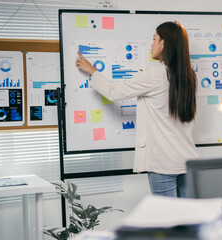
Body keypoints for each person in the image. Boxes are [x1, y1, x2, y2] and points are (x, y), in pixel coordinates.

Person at [75, 21, 198, 198]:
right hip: (187, 161)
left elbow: (114, 92)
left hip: (162, 163)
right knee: (188, 218)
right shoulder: (189, 76)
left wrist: (93, 71)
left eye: (154, 38)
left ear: (164, 43)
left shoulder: (155, 74)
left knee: (167, 219)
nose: (152, 44)